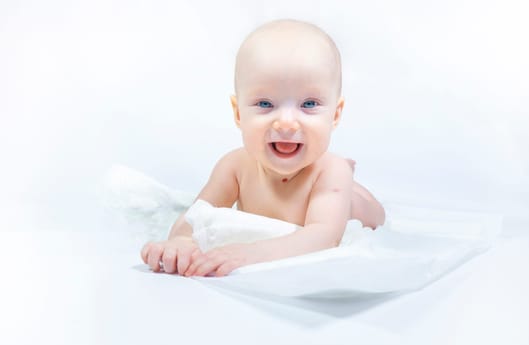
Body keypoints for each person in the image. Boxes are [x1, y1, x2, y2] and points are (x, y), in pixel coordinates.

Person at [141, 19, 385, 277]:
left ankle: (349, 185)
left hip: (344, 203)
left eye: (310, 104)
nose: (287, 123)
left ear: (335, 115)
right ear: (238, 113)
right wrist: (182, 243)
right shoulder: (234, 166)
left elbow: (323, 237)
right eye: (266, 104)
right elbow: (196, 216)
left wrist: (249, 253)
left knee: (362, 203)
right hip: (325, 186)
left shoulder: (330, 172)